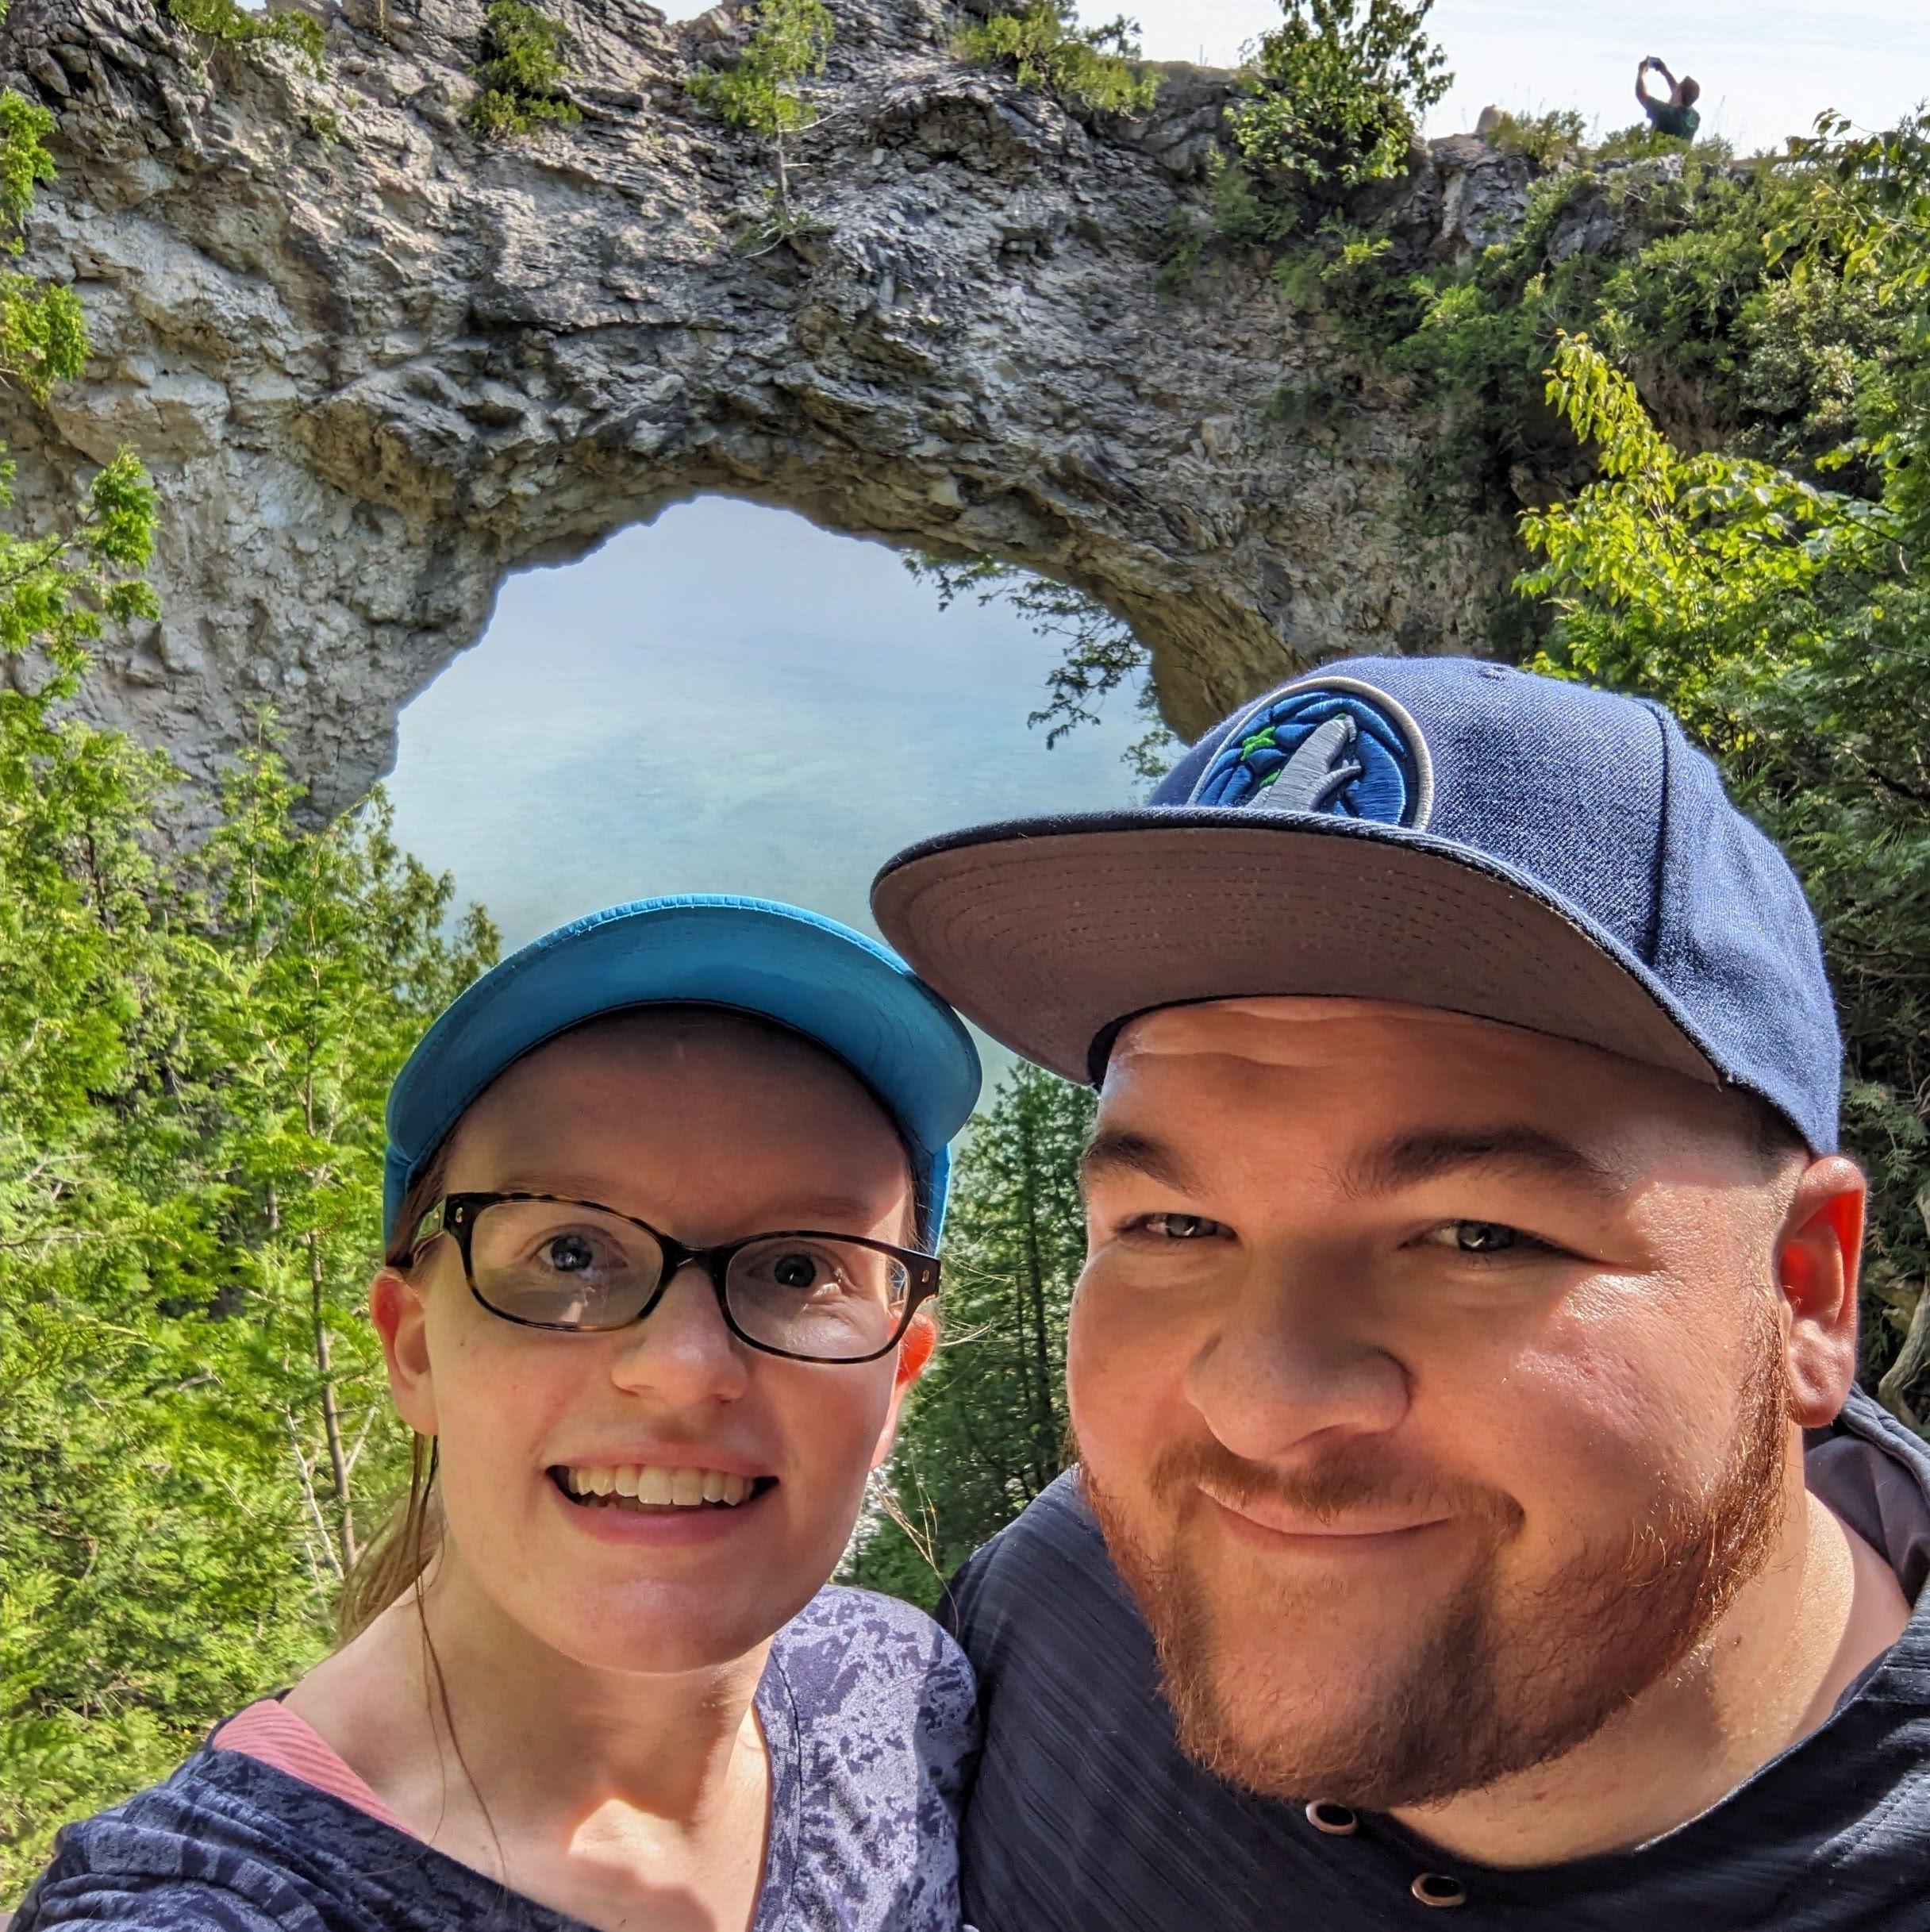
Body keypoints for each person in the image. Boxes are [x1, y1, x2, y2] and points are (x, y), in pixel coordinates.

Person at [872, 658, 1930, 1930]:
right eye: (1175, 1223)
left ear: (1804, 1290)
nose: (1260, 1405)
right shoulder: (1057, 1608)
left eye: (1477, 1236)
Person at [17, 896, 983, 1932]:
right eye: (570, 1253)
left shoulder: (899, 1689)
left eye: (798, 1269)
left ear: (896, 1379)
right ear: (414, 1347)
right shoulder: (209, 1904)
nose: (683, 1366)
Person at [1636, 56, 1701, 140]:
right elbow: (1682, 93)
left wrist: (1641, 71)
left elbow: (1641, 94)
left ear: (1679, 95)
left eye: (1678, 87)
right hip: (1680, 149)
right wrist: (1665, 72)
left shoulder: (1665, 113)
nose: (1675, 87)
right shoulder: (1695, 118)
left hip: (1659, 149)